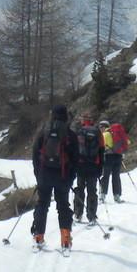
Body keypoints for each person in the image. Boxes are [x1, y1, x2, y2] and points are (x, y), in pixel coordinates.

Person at [31, 103, 78, 249]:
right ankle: (65, 239)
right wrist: (71, 177)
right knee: (63, 205)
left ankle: (38, 236)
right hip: (63, 175)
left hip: (44, 174)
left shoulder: (43, 132)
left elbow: (35, 155)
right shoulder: (70, 134)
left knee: (42, 204)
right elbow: (76, 159)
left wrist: (38, 174)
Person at [71, 113, 105, 223]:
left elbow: (73, 149)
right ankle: (92, 216)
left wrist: (73, 165)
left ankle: (78, 213)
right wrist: (100, 167)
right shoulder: (97, 132)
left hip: (80, 165)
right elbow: (101, 150)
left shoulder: (78, 131)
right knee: (92, 190)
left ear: (82, 120)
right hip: (93, 165)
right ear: (91, 120)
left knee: (80, 189)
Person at [100, 118, 129, 203]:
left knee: (105, 176)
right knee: (116, 177)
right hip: (118, 157)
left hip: (108, 157)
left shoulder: (105, 134)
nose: (100, 128)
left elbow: (102, 146)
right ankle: (117, 196)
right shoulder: (116, 133)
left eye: (101, 127)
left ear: (104, 127)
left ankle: (102, 195)